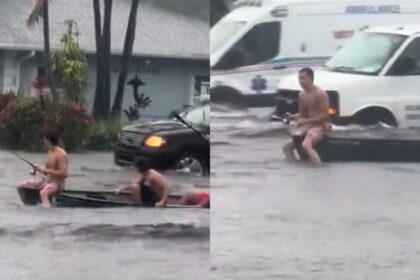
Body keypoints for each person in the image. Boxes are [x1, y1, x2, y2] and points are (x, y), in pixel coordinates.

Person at [282, 67, 330, 163]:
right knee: (286, 147)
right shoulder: (302, 95)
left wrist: (307, 121)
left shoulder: (320, 94)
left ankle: (319, 168)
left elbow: (324, 115)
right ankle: (296, 166)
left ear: (310, 78)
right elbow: (303, 114)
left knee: (306, 145)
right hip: (308, 126)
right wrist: (293, 117)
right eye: (299, 78)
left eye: (303, 78)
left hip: (320, 127)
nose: (300, 81)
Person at [17, 132, 68, 208]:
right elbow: (45, 170)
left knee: (43, 193)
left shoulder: (61, 154)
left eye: (45, 140)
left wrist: (47, 171)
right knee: (20, 187)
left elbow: (64, 173)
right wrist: (37, 169)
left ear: (48, 141)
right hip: (46, 180)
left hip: (57, 184)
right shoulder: (50, 152)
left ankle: (46, 213)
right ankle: (28, 206)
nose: (44, 142)